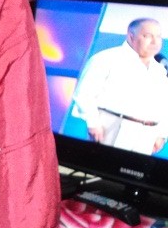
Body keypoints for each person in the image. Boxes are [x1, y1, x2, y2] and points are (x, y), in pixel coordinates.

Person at [71, 17, 168, 155]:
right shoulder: (106, 58)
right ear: (131, 36)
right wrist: (93, 123)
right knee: (104, 164)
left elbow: (163, 104)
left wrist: (162, 134)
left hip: (147, 135)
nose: (154, 41)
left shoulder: (160, 70)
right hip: (112, 127)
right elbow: (84, 93)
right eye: (147, 36)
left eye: (158, 36)